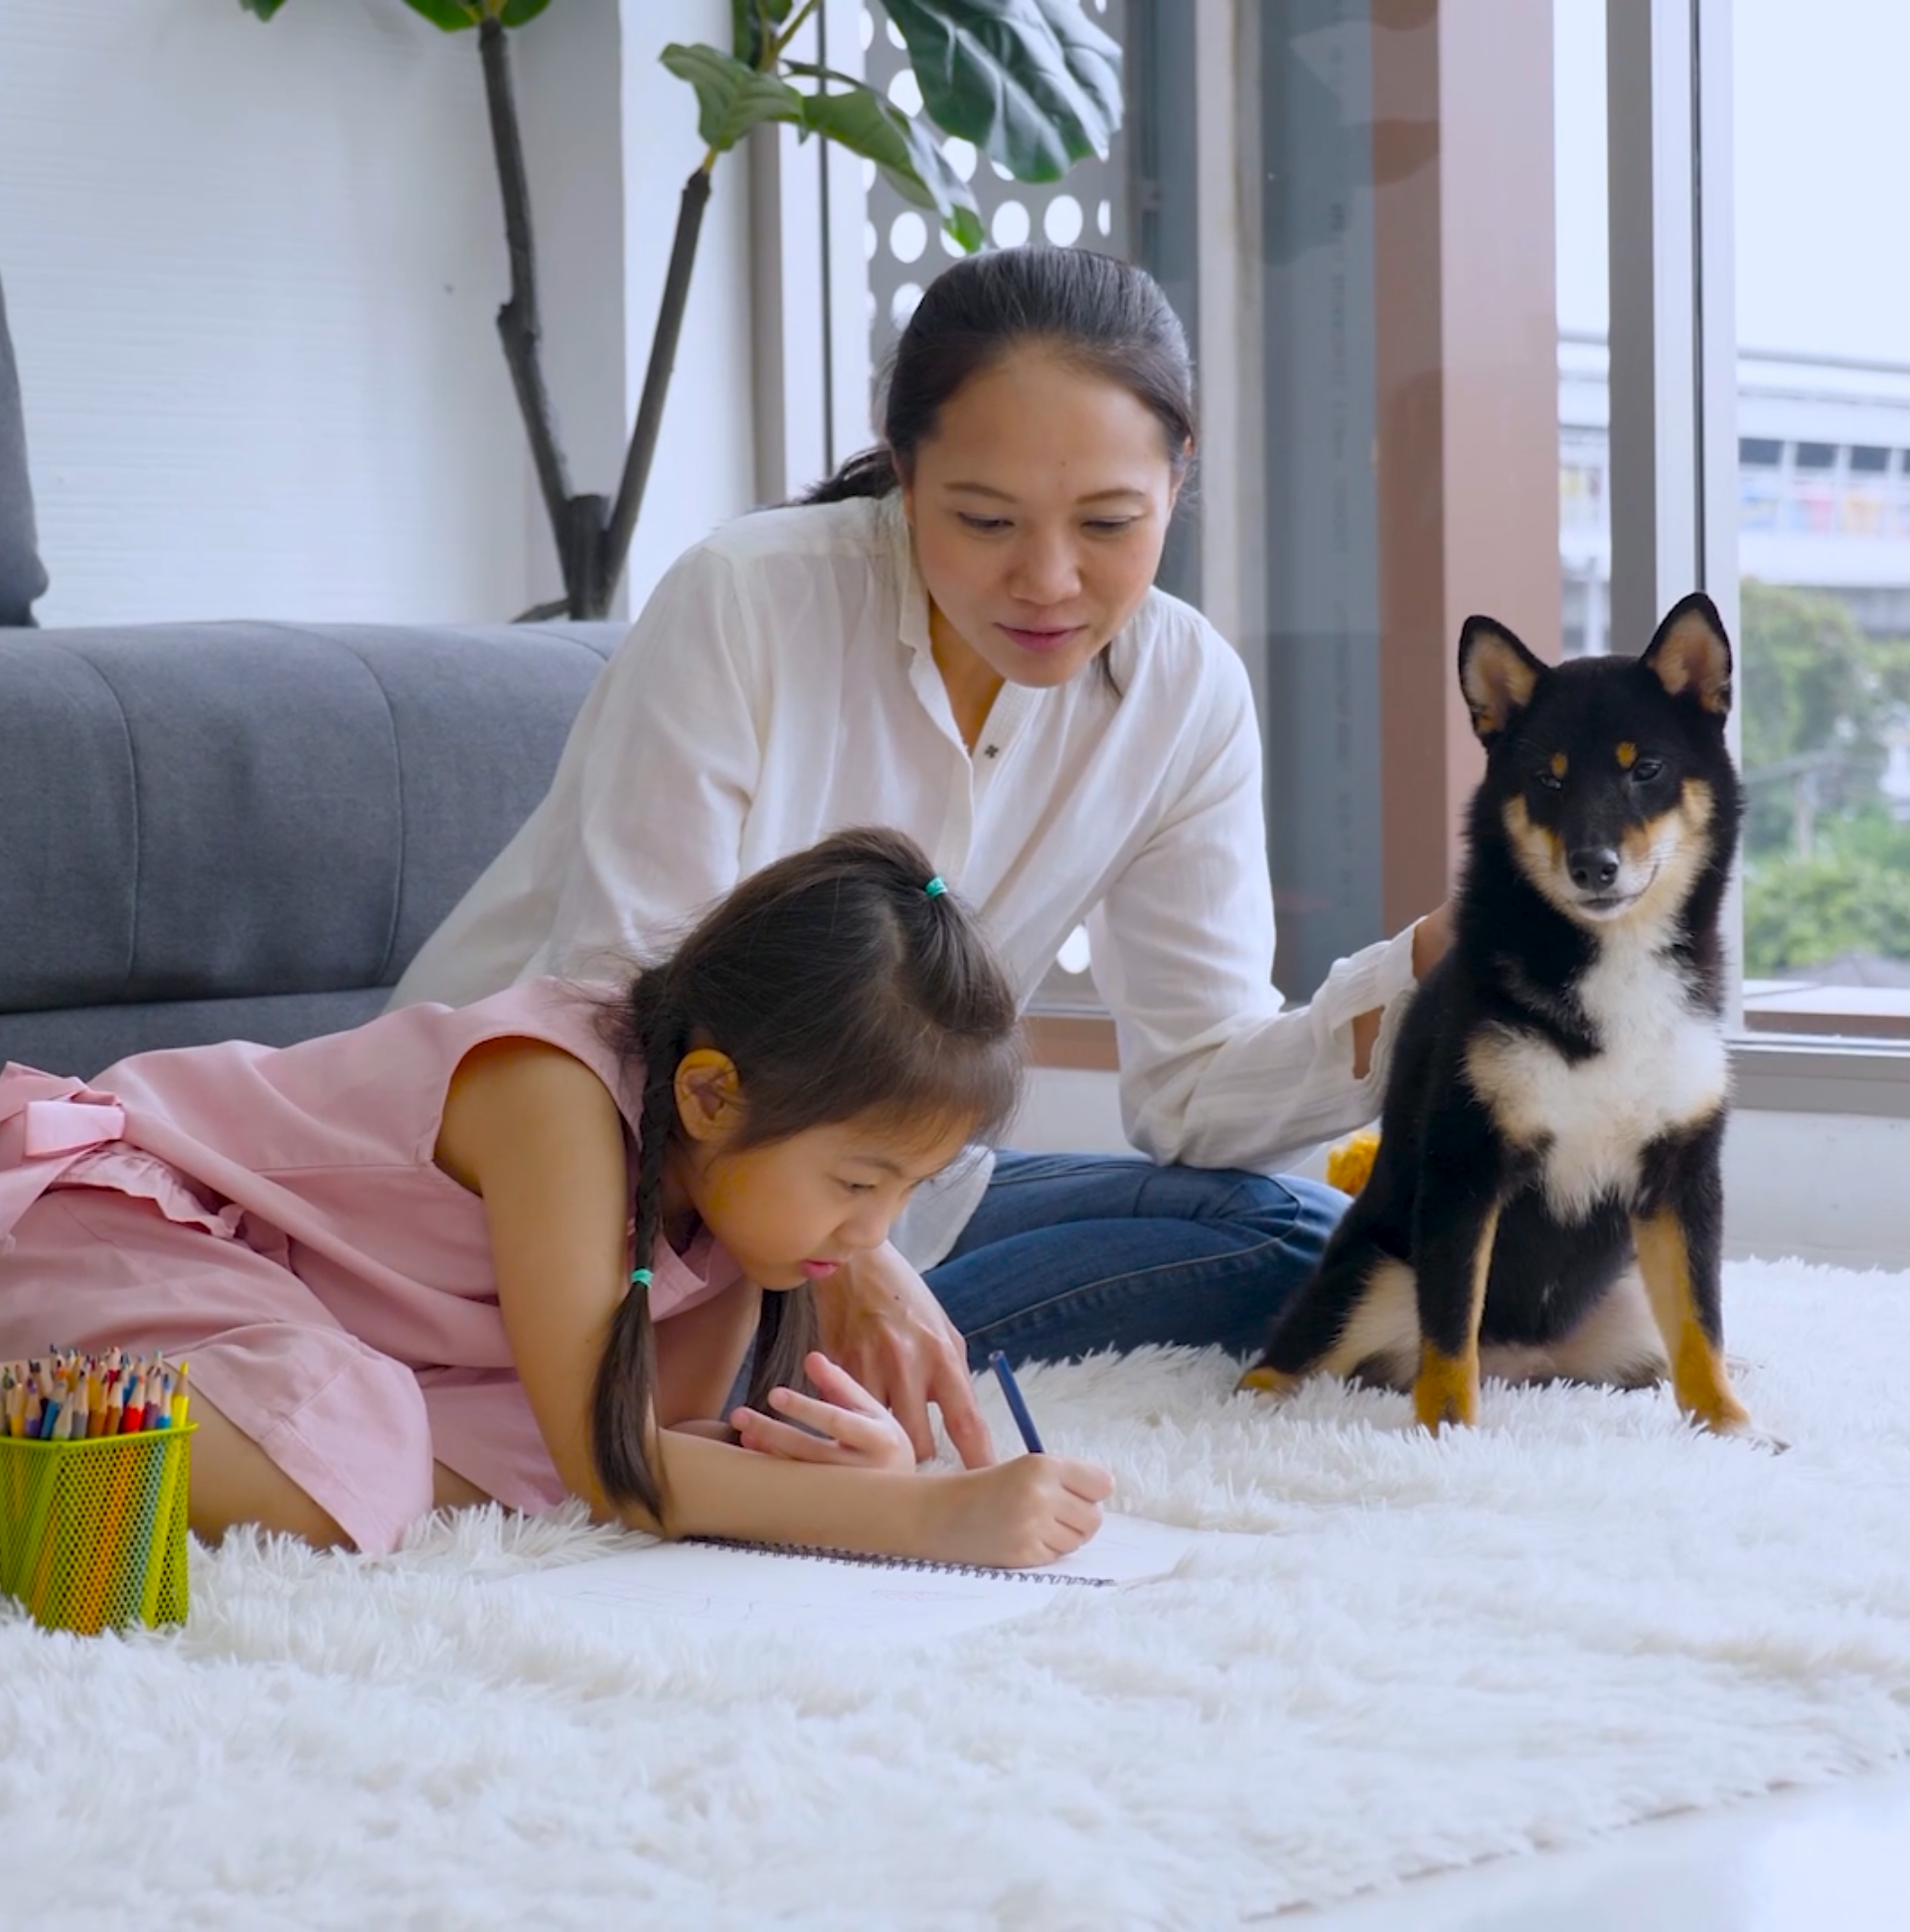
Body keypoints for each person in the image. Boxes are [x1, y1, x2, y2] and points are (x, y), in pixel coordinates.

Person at [396, 246, 1455, 1466]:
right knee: (1300, 1263)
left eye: (1109, 523)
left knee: (1309, 1237)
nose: (1049, 581)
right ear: (902, 474)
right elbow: (628, 1008)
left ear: (1179, 479)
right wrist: (850, 1264)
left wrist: (1428, 969)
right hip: (583, 1202)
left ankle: (816, 1349)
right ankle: (747, 1365)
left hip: (880, 1195)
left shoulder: (1184, 692)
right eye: (983, 520)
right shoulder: (748, 603)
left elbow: (1197, 1096)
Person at [0, 829, 1112, 1570]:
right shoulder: (561, 1096)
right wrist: (923, 1518)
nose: (873, 1241)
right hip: (104, 1218)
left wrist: (815, 1464)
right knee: (365, 1443)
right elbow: (614, 1469)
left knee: (411, 1458)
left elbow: (597, 1452)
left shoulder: (742, 1209)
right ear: (714, 1094)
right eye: (862, 1186)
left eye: (905, 1193)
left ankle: (40, 1458)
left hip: (271, 1317)